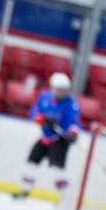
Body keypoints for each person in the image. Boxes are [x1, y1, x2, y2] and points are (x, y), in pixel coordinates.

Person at [14, 72, 81, 202]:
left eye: (65, 89)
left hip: (59, 140)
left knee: (56, 171)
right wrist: (43, 120)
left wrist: (72, 133)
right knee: (31, 164)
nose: (62, 92)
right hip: (45, 138)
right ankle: (25, 190)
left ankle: (66, 199)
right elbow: (34, 112)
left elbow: (74, 121)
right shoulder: (44, 97)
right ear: (53, 88)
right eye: (59, 89)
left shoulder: (71, 103)